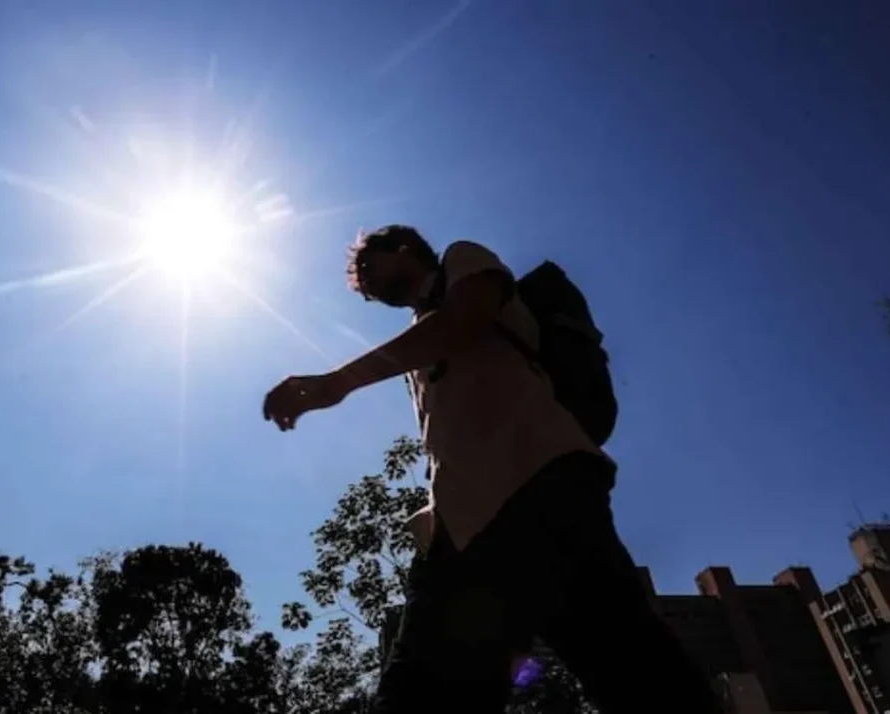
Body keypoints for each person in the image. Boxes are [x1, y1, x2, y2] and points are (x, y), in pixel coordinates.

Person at [262, 225, 720, 713]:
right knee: (423, 693)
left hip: (543, 489)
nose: (369, 291)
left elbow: (464, 321)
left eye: (370, 271)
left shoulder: (464, 260)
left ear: (402, 250)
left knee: (636, 673)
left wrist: (340, 382)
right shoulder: (418, 344)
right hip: (460, 527)